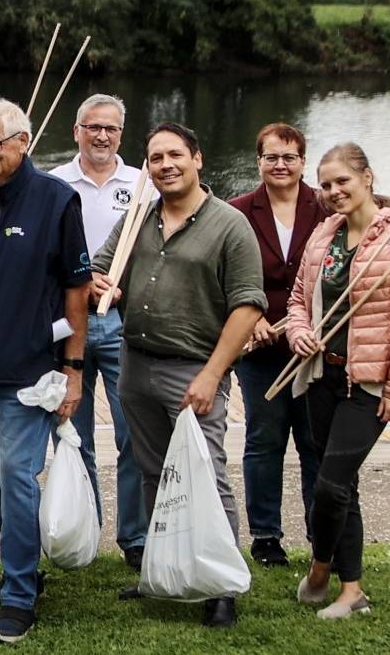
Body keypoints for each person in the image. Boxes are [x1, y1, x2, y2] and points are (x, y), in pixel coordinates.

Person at [92, 122, 264, 630]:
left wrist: (213, 374)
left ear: (197, 158)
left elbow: (249, 306)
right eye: (155, 158)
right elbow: (103, 270)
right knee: (153, 473)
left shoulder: (229, 225)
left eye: (174, 155)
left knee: (206, 477)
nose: (165, 165)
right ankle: (162, 569)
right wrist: (102, 282)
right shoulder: (139, 218)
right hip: (136, 364)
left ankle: (221, 585)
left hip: (195, 370)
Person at [0, 99, 91, 644]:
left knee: (16, 477)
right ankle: (19, 568)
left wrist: (73, 371)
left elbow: (78, 290)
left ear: (23, 141)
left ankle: (21, 598)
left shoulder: (56, 201)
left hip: (30, 372)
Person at [282, 143, 390, 619]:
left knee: (330, 486)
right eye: (325, 185)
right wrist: (301, 333)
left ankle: (336, 578)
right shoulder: (323, 234)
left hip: (367, 383)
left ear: (367, 178)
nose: (332, 192)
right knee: (341, 486)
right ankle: (337, 579)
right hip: (321, 375)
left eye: (342, 181)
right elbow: (297, 302)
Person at [45, 95, 150, 567]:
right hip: (70, 324)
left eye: (110, 128)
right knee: (73, 432)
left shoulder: (144, 185)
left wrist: (124, 284)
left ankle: (135, 539)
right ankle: (86, 530)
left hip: (125, 322)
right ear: (76, 131)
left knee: (134, 435)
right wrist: (81, 282)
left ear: (121, 135)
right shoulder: (52, 185)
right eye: (92, 127)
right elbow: (43, 258)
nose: (101, 136)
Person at [225, 122, 324, 569]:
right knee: (264, 442)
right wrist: (254, 319)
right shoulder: (237, 211)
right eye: (271, 156)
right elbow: (224, 276)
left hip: (316, 347)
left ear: (303, 161)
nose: (280, 164)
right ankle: (266, 537)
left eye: (289, 156)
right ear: (258, 160)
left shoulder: (327, 207)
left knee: (314, 442)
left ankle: (322, 533)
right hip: (259, 349)